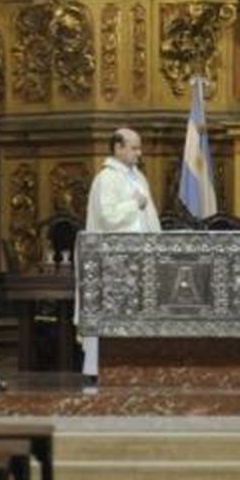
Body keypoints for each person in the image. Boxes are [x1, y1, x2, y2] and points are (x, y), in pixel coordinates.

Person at [80, 128, 161, 385]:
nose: (139, 153)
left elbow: (149, 215)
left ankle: (136, 365)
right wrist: (133, 205)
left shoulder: (138, 177)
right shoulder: (106, 178)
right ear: (118, 148)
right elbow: (107, 217)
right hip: (113, 261)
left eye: (139, 147)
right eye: (134, 148)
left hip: (140, 257)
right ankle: (103, 367)